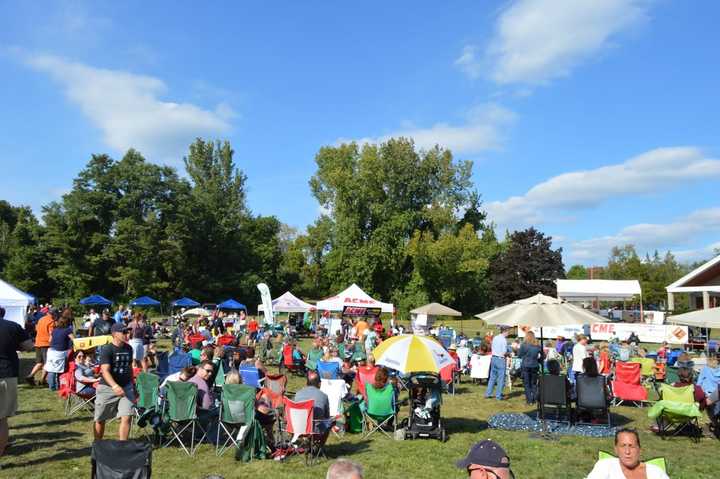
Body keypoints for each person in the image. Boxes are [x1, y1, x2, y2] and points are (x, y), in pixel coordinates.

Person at [0, 306, 34, 459]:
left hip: (7, 373)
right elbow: (28, 346)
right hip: (7, 374)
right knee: (2, 418)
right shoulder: (13, 326)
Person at [94, 323, 135, 441]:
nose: (127, 334)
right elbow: (105, 371)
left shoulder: (129, 348)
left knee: (127, 417)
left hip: (126, 387)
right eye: (124, 332)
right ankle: (98, 445)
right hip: (107, 387)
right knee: (100, 419)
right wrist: (115, 386)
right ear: (114, 334)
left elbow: (129, 368)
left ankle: (123, 446)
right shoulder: (107, 349)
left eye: (128, 331)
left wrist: (132, 385)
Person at [585, 428, 669, 479]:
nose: (627, 452)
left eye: (631, 446)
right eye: (623, 446)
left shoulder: (655, 472)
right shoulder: (606, 466)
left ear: (639, 450)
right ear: (616, 449)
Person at [44, 309, 75, 391]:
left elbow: (50, 340)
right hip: (60, 352)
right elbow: (74, 339)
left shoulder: (54, 330)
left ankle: (52, 387)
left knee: (51, 370)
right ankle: (60, 385)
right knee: (61, 370)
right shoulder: (68, 330)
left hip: (51, 351)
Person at [26, 309, 55, 386]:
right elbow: (51, 334)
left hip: (38, 342)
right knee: (47, 363)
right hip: (46, 344)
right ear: (53, 314)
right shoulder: (51, 321)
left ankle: (30, 376)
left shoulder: (41, 319)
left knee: (39, 362)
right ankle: (42, 380)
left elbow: (36, 329)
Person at [518, 331, 543, 404]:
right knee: (533, 383)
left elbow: (519, 355)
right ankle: (534, 399)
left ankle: (529, 401)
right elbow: (543, 356)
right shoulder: (537, 346)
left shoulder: (524, 345)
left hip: (526, 365)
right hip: (535, 365)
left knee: (526, 384)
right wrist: (538, 360)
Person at [486, 327, 509, 400]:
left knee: (492, 377)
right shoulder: (504, 340)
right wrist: (509, 354)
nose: (508, 333)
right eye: (508, 331)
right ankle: (498, 396)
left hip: (493, 358)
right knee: (501, 379)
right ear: (504, 331)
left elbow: (492, 347)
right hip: (500, 359)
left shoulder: (495, 337)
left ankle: (488, 393)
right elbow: (504, 352)